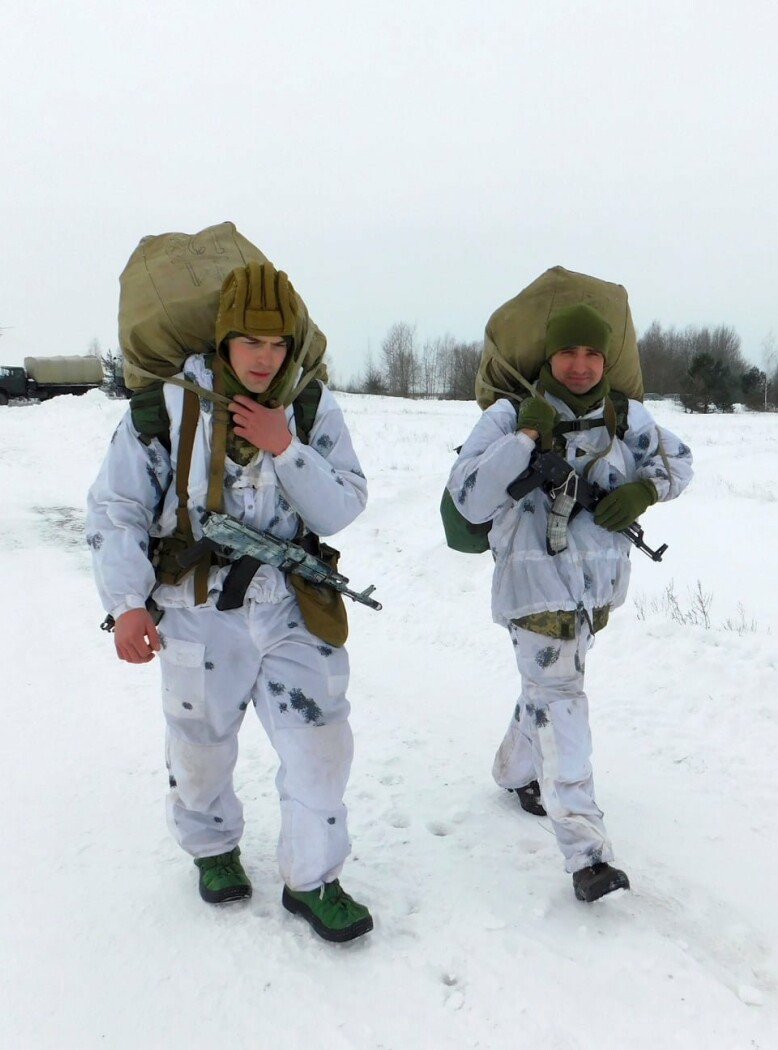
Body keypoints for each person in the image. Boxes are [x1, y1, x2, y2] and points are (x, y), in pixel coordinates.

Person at [85, 261, 374, 942]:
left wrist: (286, 447)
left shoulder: (309, 404)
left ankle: (315, 879)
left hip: (291, 603)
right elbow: (117, 505)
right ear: (224, 341)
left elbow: (342, 507)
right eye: (250, 342)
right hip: (197, 606)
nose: (264, 358)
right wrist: (128, 601)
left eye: (277, 345)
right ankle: (213, 848)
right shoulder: (169, 404)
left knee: (320, 743)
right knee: (201, 742)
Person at [446, 301, 693, 901]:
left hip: (593, 590)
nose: (580, 365)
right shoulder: (508, 415)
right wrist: (527, 437)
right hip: (532, 589)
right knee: (563, 704)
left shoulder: (624, 416)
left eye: (591, 353)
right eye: (567, 352)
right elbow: (469, 500)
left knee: (547, 693)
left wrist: (643, 490)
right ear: (548, 356)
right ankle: (587, 853)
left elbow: (680, 462)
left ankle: (512, 771)